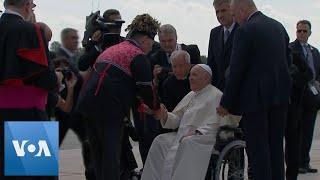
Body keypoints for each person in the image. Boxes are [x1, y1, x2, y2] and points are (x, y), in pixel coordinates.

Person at [76, 13, 161, 180]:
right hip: (108, 110)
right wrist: (156, 108)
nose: (151, 48)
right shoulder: (138, 55)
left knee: (98, 157)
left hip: (87, 105)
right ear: (145, 39)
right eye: (152, 42)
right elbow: (147, 91)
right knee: (111, 159)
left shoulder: (114, 49)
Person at [216, 0, 292, 180]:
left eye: (234, 15)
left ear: (243, 9)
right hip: (280, 98)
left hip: (254, 101)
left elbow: (236, 70)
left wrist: (226, 103)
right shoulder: (278, 27)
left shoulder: (245, 30)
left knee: (258, 152)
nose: (235, 19)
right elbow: (288, 62)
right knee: (275, 150)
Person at [141, 64, 240, 180]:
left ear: (206, 78)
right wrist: (164, 115)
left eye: (195, 75)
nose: (190, 78)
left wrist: (197, 132)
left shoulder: (216, 95)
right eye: (190, 75)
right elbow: (177, 119)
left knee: (188, 142)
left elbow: (218, 123)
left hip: (206, 137)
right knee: (160, 141)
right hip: (184, 135)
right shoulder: (191, 95)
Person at [0, 0, 57, 179]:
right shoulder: (29, 30)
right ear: (26, 5)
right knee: (35, 173)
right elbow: (45, 79)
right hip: (26, 115)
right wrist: (58, 79)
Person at [289, 20, 320, 174]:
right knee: (296, 132)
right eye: (299, 31)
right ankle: (295, 164)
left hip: (312, 97)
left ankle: (305, 162)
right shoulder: (290, 49)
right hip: (297, 97)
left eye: (304, 31)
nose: (301, 33)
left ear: (310, 33)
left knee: (308, 131)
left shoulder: (315, 51)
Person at [207, 0, 238, 90]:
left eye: (223, 10)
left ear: (232, 10)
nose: (220, 15)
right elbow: (211, 64)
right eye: (217, 11)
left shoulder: (244, 30)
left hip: (240, 90)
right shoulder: (214, 33)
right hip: (218, 91)